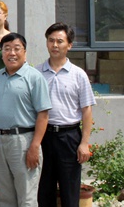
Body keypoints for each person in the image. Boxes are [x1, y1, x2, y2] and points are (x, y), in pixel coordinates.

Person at [37, 23, 96, 207]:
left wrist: (84, 143)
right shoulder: (37, 73)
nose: (55, 45)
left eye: (60, 41)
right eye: (51, 40)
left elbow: (86, 111)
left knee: (70, 191)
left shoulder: (78, 75)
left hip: (69, 138)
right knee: (43, 190)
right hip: (43, 137)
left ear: (69, 45)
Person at [0, 33, 51, 207]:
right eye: (7, 49)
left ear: (25, 52)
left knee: (26, 199)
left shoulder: (34, 77)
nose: (12, 53)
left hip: (24, 142)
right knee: (4, 199)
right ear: (2, 54)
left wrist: (35, 146)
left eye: (16, 49)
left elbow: (43, 114)